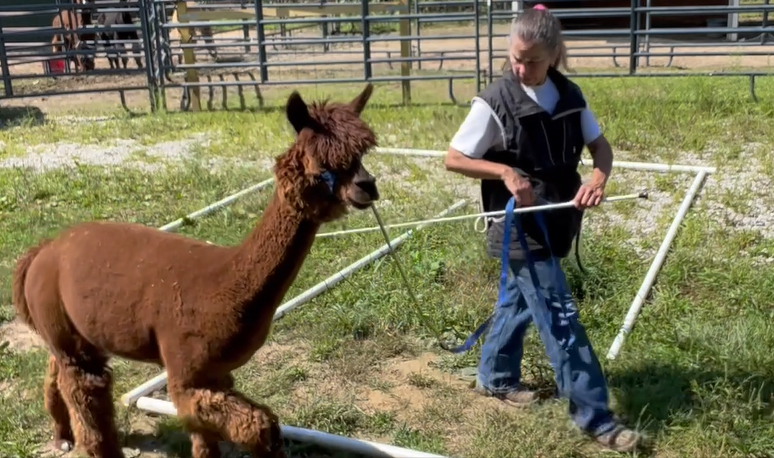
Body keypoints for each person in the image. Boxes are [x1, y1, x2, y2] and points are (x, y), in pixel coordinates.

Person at [443, 4, 643, 453]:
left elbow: (600, 146)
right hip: (515, 228)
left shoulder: (569, 95)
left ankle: (494, 377)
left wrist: (598, 178)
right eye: (515, 57)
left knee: (519, 301)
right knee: (560, 316)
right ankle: (596, 417)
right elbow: (454, 157)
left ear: (553, 54)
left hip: (557, 219)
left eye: (531, 60)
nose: (521, 67)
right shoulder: (494, 101)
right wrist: (504, 173)